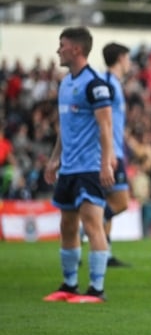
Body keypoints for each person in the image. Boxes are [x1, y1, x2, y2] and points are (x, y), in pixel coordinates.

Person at [43, 26, 115, 303]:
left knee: (92, 224)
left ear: (75, 49)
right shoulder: (66, 83)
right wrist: (54, 158)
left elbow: (105, 126)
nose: (58, 50)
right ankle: (69, 285)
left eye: (61, 45)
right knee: (67, 226)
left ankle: (96, 289)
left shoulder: (94, 84)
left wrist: (106, 163)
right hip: (69, 168)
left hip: (90, 167)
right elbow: (65, 127)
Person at [101, 42, 133, 267]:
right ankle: (92, 222)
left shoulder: (114, 83)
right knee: (121, 202)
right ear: (121, 58)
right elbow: (104, 121)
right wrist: (109, 151)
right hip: (111, 153)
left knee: (110, 200)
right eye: (128, 58)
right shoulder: (108, 84)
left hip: (115, 150)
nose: (129, 63)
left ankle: (105, 252)